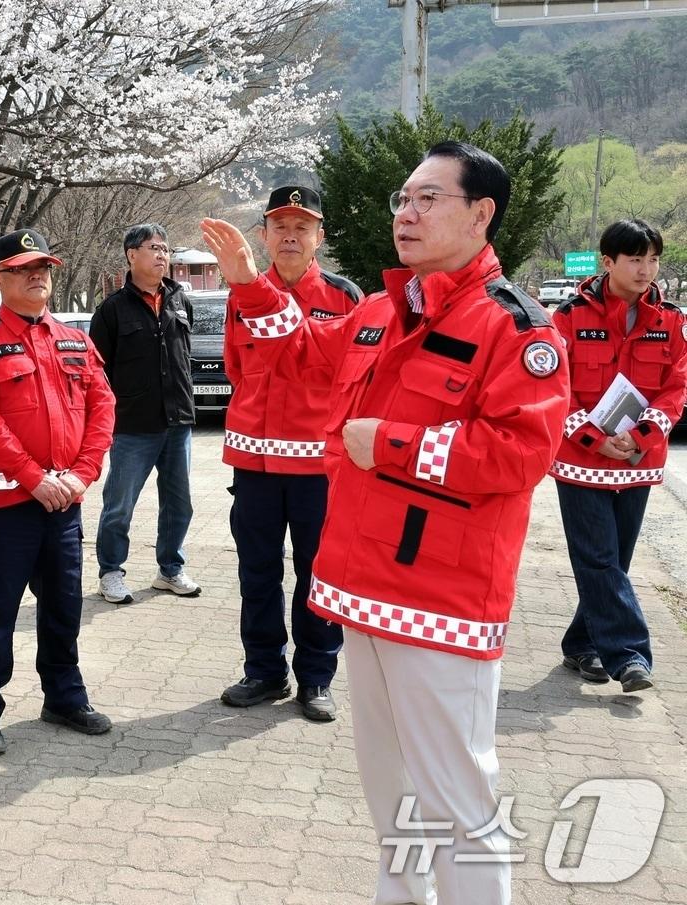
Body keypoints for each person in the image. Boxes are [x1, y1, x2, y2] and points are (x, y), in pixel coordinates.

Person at [201, 142, 570, 905]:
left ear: (481, 213)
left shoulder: (517, 328)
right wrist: (248, 287)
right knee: (391, 793)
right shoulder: (378, 311)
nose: (406, 212)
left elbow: (521, 453)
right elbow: (301, 352)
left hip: (442, 600)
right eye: (403, 199)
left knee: (460, 804)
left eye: (428, 198)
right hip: (360, 590)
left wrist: (391, 444)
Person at [0, 229, 116, 756]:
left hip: (65, 503)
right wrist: (33, 478)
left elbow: (103, 408)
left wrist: (82, 473)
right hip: (7, 508)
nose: (37, 275)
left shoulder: (74, 339)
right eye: (24, 268)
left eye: (43, 266)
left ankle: (64, 697)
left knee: (64, 607)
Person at [219, 186, 361, 722]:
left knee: (317, 572)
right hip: (253, 465)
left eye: (302, 227)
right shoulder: (241, 294)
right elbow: (238, 369)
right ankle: (263, 670)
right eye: (281, 226)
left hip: (317, 470)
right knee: (257, 572)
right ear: (263, 236)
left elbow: (352, 379)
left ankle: (316, 676)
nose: (291, 236)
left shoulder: (344, 297)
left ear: (319, 237)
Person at [551, 219, 686, 693]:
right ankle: (628, 656)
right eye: (635, 259)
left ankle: (580, 644)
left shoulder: (671, 320)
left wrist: (644, 434)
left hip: (638, 462)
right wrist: (590, 436)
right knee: (600, 560)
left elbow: (676, 387)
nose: (646, 269)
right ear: (608, 262)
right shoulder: (567, 317)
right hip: (580, 463)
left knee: (613, 564)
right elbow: (554, 387)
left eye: (653, 259)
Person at [88, 224, 199, 604]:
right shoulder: (111, 311)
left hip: (178, 421)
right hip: (133, 426)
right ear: (131, 254)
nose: (162, 255)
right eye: (154, 248)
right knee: (119, 505)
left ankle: (170, 570)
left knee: (179, 503)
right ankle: (111, 571)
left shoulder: (180, 300)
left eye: (166, 249)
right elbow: (96, 374)